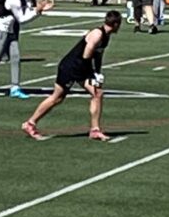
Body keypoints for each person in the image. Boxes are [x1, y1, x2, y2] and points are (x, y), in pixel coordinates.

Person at [22, 10, 122, 142]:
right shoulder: (97, 34)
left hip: (82, 69)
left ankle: (95, 129)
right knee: (57, 98)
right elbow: (86, 55)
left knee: (97, 93)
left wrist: (98, 72)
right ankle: (30, 123)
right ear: (115, 24)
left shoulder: (106, 36)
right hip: (71, 67)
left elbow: (98, 55)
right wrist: (92, 74)